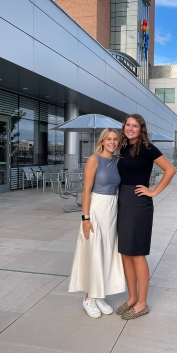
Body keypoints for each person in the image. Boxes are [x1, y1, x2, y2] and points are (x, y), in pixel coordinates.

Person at [116, 114, 176, 320]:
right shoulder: (123, 148)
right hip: (123, 203)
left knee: (137, 253)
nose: (130, 128)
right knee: (125, 253)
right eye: (127, 125)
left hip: (139, 205)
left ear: (141, 129)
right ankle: (132, 297)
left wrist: (154, 191)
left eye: (134, 125)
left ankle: (142, 303)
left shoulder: (148, 148)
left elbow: (170, 169)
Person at [68, 128, 125, 319]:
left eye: (115, 139)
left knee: (107, 253)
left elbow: (119, 186)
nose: (112, 142)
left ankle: (99, 295)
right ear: (102, 141)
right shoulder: (94, 159)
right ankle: (88, 298)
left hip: (111, 210)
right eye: (109, 139)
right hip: (95, 209)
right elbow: (86, 191)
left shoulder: (117, 161)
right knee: (93, 253)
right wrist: (85, 218)